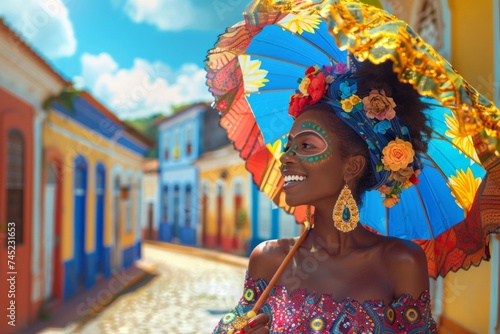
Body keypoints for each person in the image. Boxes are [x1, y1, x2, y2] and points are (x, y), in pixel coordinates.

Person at [212, 59, 438, 333]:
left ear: (351, 166)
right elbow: (234, 323)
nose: (285, 157)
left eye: (306, 145)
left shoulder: (401, 261)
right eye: (289, 146)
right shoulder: (269, 258)